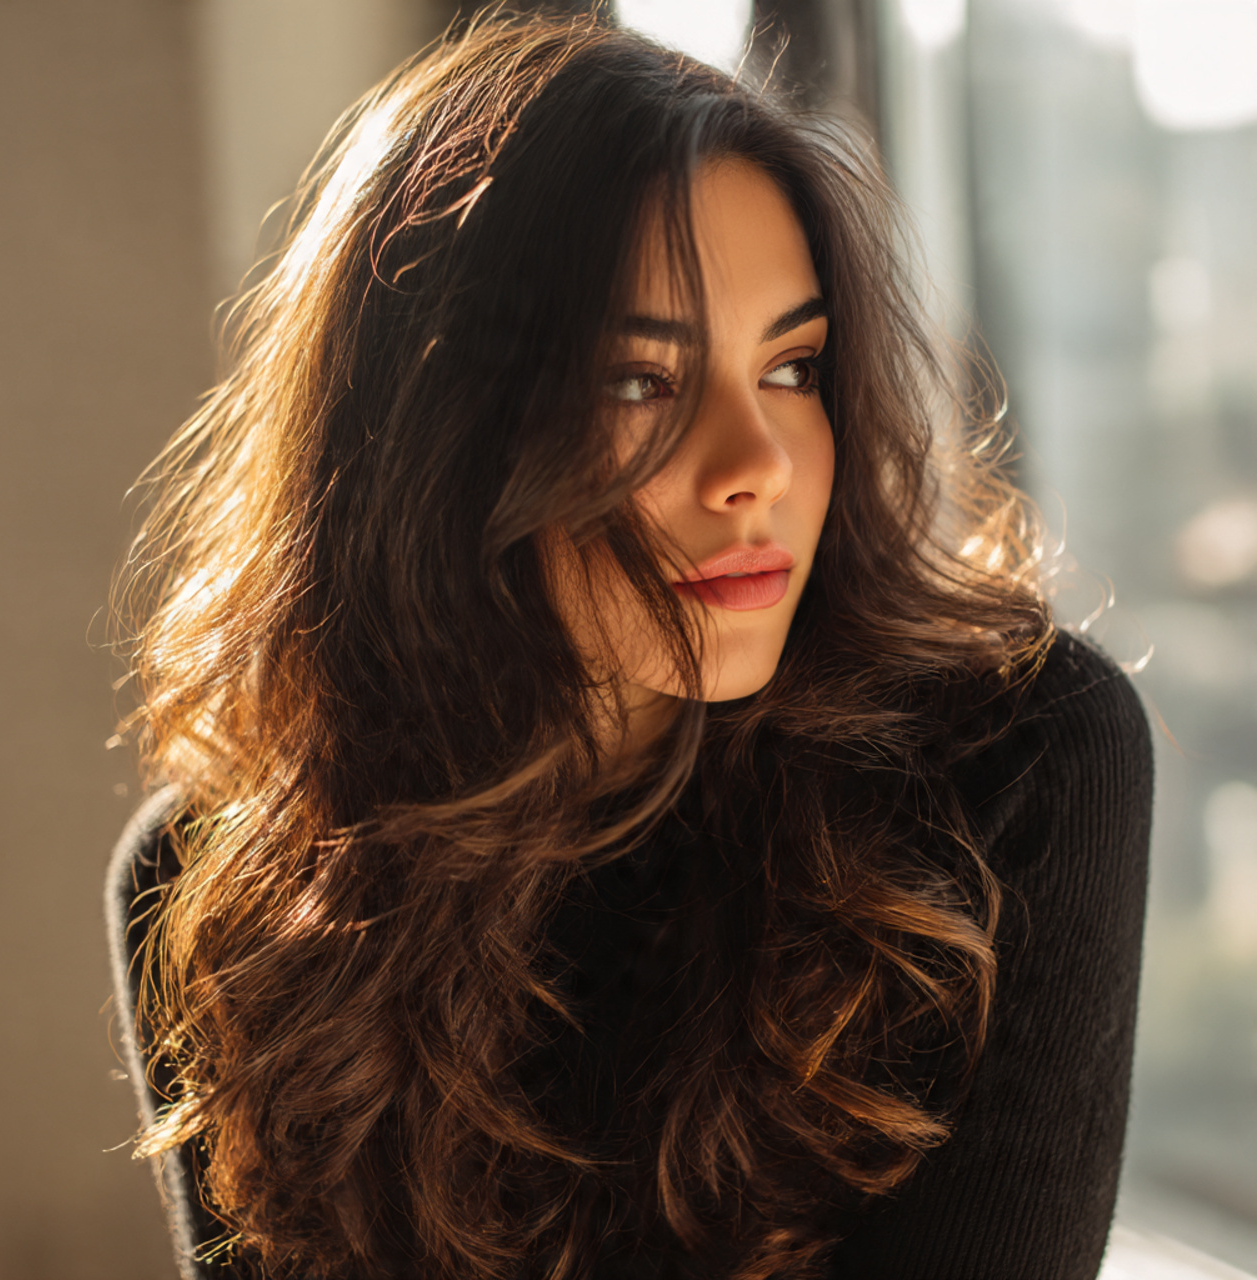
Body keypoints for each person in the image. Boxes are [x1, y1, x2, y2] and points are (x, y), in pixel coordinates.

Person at [106, 9, 1153, 1280]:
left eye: (793, 366)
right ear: (441, 443)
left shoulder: (1018, 766)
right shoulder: (220, 885)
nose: (755, 467)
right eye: (640, 383)